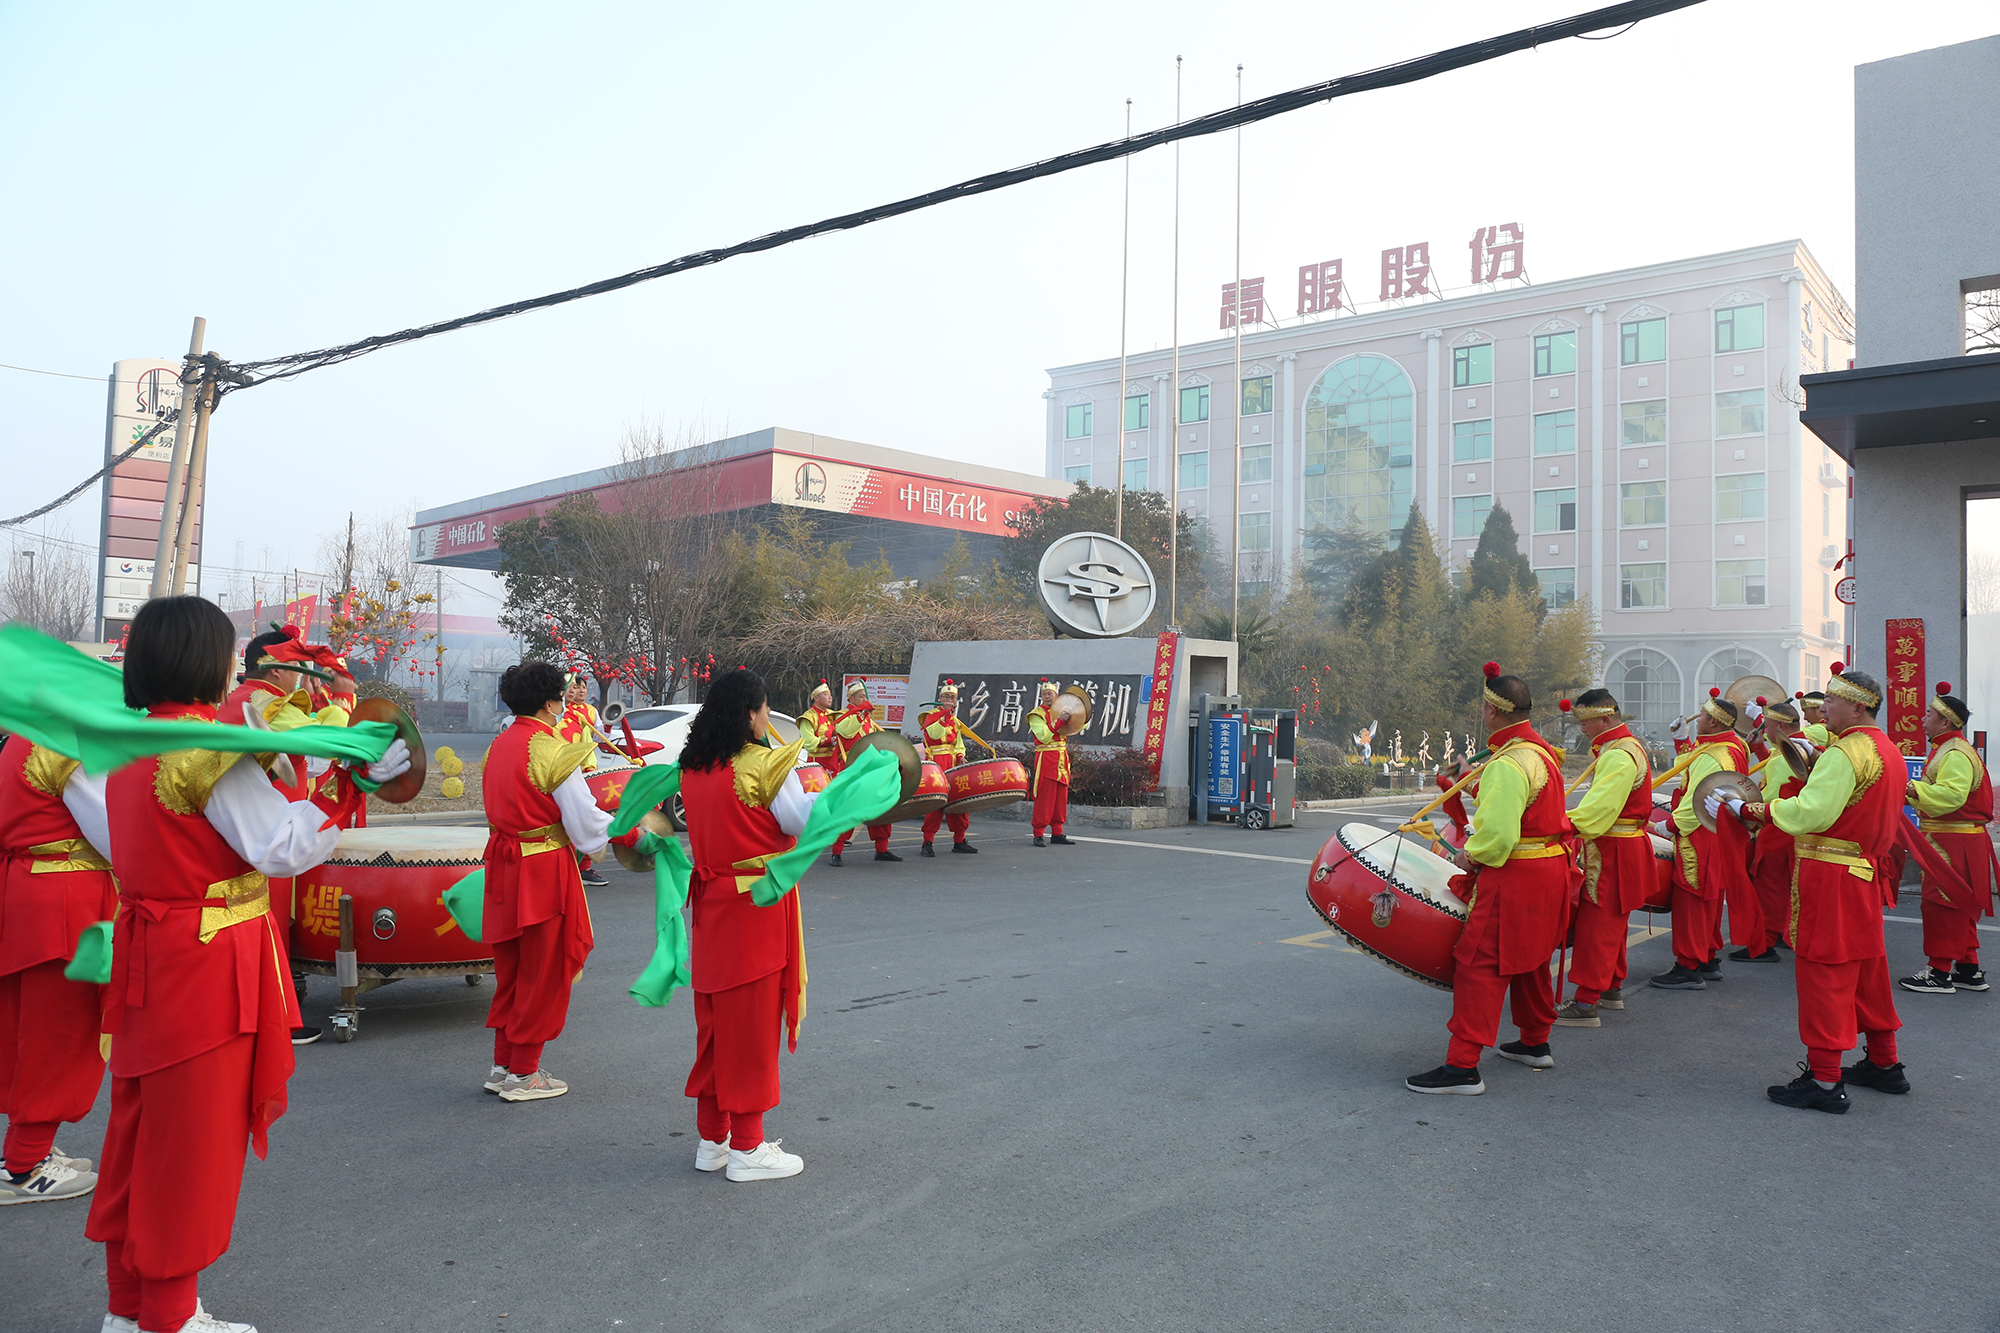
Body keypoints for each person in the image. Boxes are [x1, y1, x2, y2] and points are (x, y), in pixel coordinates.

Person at [88, 594, 409, 1333]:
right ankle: (167, 1315)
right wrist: (343, 789)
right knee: (192, 1143)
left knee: (140, 1133)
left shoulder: (127, 748)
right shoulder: (207, 753)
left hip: (148, 951)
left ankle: (129, 1308)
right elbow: (282, 848)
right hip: (207, 962)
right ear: (207, 661)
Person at [1710, 665, 1908, 1112]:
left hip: (1831, 875)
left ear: (1857, 706)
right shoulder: (1887, 750)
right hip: (1861, 872)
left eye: (1832, 704)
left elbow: (1811, 813)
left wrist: (1749, 808)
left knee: (1825, 975)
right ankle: (1885, 1063)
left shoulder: (1847, 752)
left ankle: (1823, 1080)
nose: (1823, 712)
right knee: (1867, 972)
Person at [677, 668, 819, 1182]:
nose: (766, 719)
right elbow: (804, 823)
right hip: (755, 906)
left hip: (712, 907)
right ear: (752, 713)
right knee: (753, 1029)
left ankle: (713, 1141)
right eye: (763, 710)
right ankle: (749, 1147)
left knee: (715, 1027)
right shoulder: (763, 766)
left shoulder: (693, 767)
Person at [1407, 663, 1576, 1095]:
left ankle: (1462, 1068)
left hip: (1516, 875)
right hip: (1549, 871)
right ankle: (1535, 1043)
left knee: (1481, 963)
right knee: (1533, 956)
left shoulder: (1509, 762)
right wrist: (1468, 784)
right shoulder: (1540, 754)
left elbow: (1498, 836)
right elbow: (1526, 808)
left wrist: (1468, 855)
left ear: (1491, 711)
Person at [480, 661, 615, 1103]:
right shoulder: (550, 749)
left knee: (512, 969)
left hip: (504, 864)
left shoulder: (497, 746)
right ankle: (524, 1073)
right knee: (544, 970)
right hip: (541, 868)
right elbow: (587, 825)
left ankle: (503, 1066)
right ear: (551, 702)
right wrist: (628, 828)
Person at [222, 626, 360, 1047]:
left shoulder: (241, 701)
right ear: (276, 669)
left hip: (247, 830)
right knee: (270, 929)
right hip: (267, 830)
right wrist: (340, 700)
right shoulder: (265, 703)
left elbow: (309, 763)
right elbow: (323, 743)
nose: (302, 673)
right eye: (297, 665)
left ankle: (267, 1012)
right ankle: (281, 1021)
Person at [0, 729, 113, 1205]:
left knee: (25, 1029)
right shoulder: (67, 745)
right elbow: (114, 834)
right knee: (63, 1035)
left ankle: (23, 1151)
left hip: (28, 890)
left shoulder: (20, 739)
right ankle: (25, 1165)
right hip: (69, 904)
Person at [1554, 690, 1653, 1028]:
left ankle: (1585, 1002)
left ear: (1605, 719)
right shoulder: (1622, 748)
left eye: (1585, 721)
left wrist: (1559, 826)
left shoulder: (1619, 754)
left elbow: (1600, 809)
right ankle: (1610, 988)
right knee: (1613, 925)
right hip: (1621, 847)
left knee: (1598, 927)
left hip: (1613, 850)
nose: (1581, 729)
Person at [1651, 689, 1754, 991]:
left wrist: (1668, 826)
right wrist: (1681, 740)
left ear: (1713, 722)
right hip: (1717, 832)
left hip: (1700, 834)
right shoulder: (1732, 745)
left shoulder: (1715, 755)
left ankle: (1688, 966)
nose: (1698, 720)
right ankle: (1708, 958)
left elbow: (1697, 798)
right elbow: (1692, 764)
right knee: (1709, 898)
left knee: (1692, 899)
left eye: (1703, 716)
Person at [1899, 682, 1996, 994]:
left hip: (1955, 842)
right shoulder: (1948, 748)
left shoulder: (1954, 753)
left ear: (1945, 722)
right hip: (1957, 841)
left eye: (1928, 715)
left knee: (1941, 904)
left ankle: (1939, 972)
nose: (1923, 720)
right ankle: (1968, 969)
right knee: (1961, 903)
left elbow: (1951, 796)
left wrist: (1910, 788)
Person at [1738, 696, 1809, 963]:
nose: (1764, 731)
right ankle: (1782, 932)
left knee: (1770, 887)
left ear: (1780, 725)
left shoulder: (1784, 756)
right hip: (1799, 831)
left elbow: (1769, 797)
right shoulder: (1806, 748)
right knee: (1788, 887)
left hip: (1779, 829)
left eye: (1767, 725)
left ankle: (1764, 943)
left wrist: (1740, 808)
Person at [829, 681, 896, 866]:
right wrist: (860, 714)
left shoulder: (868, 719)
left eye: (865, 697)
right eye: (860, 697)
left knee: (880, 808)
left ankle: (882, 849)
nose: (864, 700)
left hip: (870, 769)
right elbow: (845, 731)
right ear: (850, 698)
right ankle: (836, 851)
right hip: (852, 768)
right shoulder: (844, 716)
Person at [558, 676, 610, 887]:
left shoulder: (587, 711)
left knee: (582, 817)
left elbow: (599, 737)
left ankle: (584, 867)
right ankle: (570, 868)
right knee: (571, 819)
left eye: (580, 687)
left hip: (584, 768)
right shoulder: (557, 714)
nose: (576, 690)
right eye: (571, 686)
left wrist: (608, 725)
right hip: (562, 771)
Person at [918, 681, 975, 856]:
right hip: (935, 763)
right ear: (939, 698)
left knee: (958, 801)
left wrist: (960, 756)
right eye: (946, 696)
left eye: (953, 697)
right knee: (935, 802)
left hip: (952, 763)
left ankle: (959, 840)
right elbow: (934, 734)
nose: (949, 700)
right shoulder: (931, 716)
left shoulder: (955, 721)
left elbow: (958, 744)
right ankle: (927, 842)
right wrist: (943, 714)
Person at [1026, 680, 1073, 847]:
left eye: (1050, 694)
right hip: (1046, 757)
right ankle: (1038, 833)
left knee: (1061, 795)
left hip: (1061, 756)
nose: (1047, 697)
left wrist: (1081, 713)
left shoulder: (1063, 711)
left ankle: (1057, 832)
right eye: (1044, 694)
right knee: (1045, 795)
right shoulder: (1036, 714)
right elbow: (1043, 737)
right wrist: (1059, 721)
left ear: (1056, 696)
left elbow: (1080, 724)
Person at [800, 681, 839, 769]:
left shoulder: (833, 714)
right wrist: (828, 741)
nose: (830, 697)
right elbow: (809, 743)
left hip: (834, 761)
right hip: (817, 763)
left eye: (830, 695)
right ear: (816, 698)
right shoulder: (808, 717)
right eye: (826, 695)